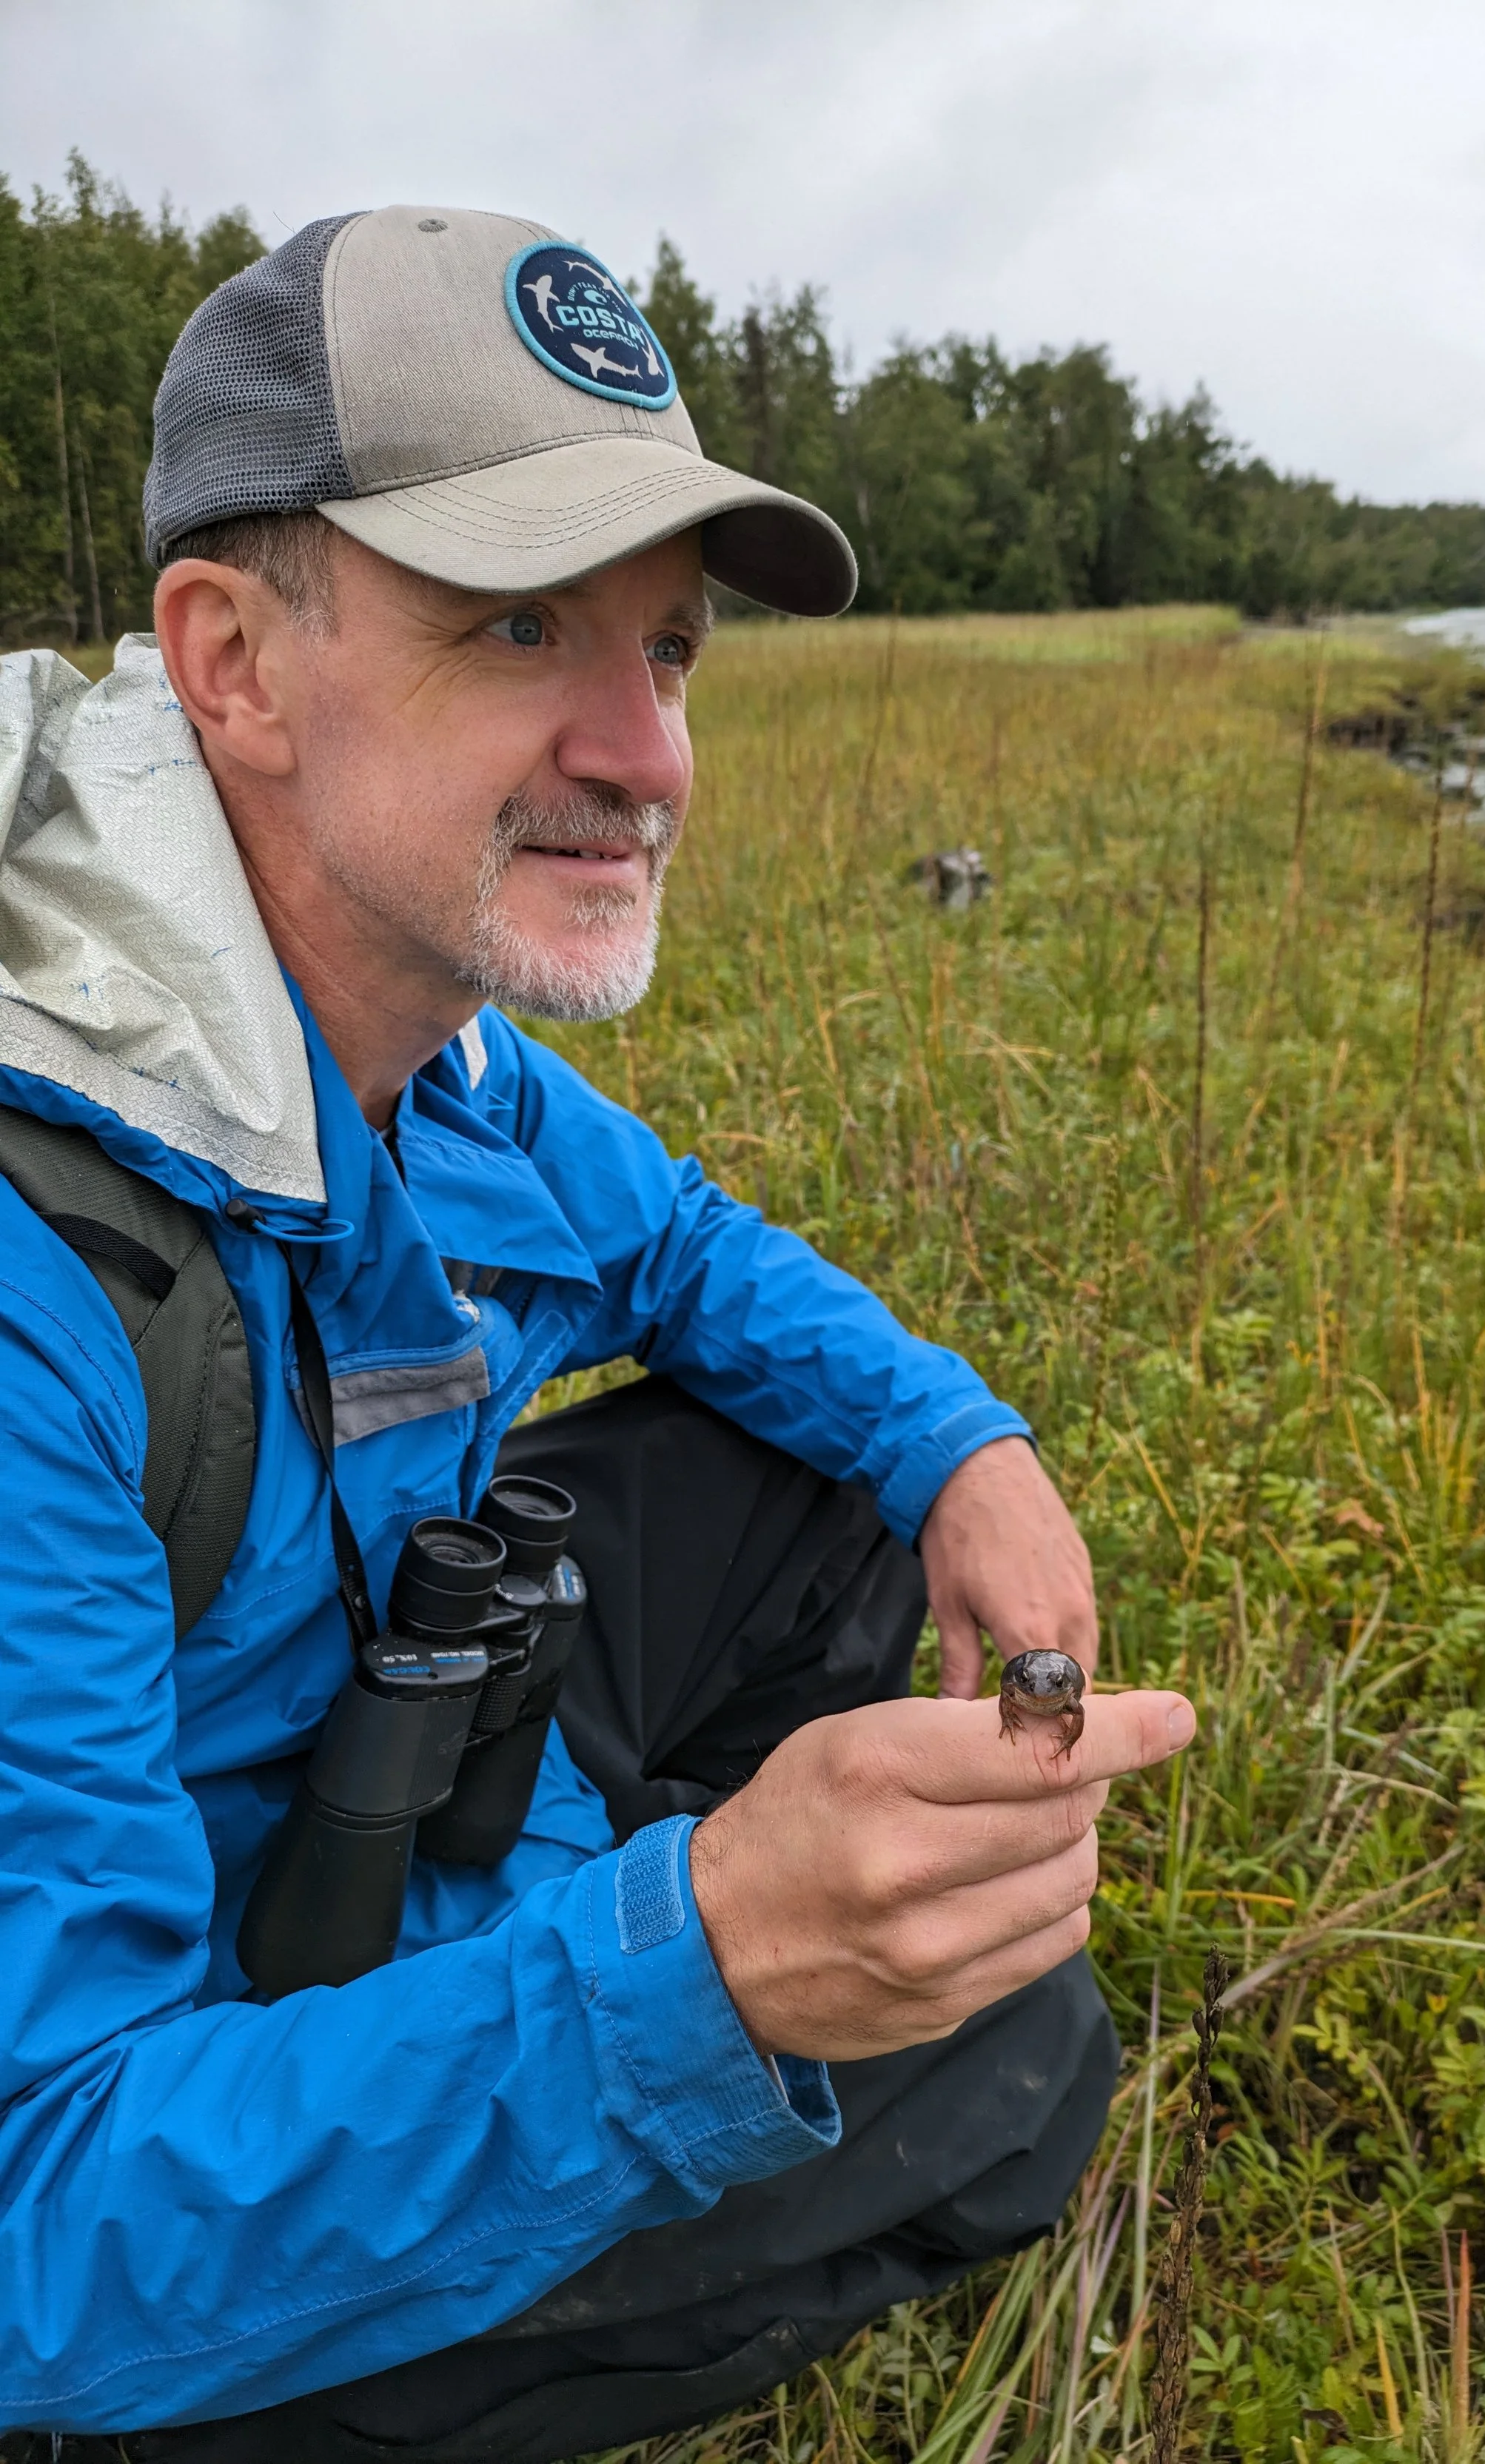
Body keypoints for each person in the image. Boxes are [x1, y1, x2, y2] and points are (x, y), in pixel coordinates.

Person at [0, 205, 1193, 2464]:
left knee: (823, 1482)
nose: (638, 752)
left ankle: (558, 1931)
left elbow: (690, 1256)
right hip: (120, 2152)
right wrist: (703, 1978)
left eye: (670, 648)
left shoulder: (415, 1029)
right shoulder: (35, 1263)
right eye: (520, 624)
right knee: (1016, 2079)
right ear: (233, 665)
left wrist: (964, 1446)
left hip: (367, 1783)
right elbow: (27, 2223)